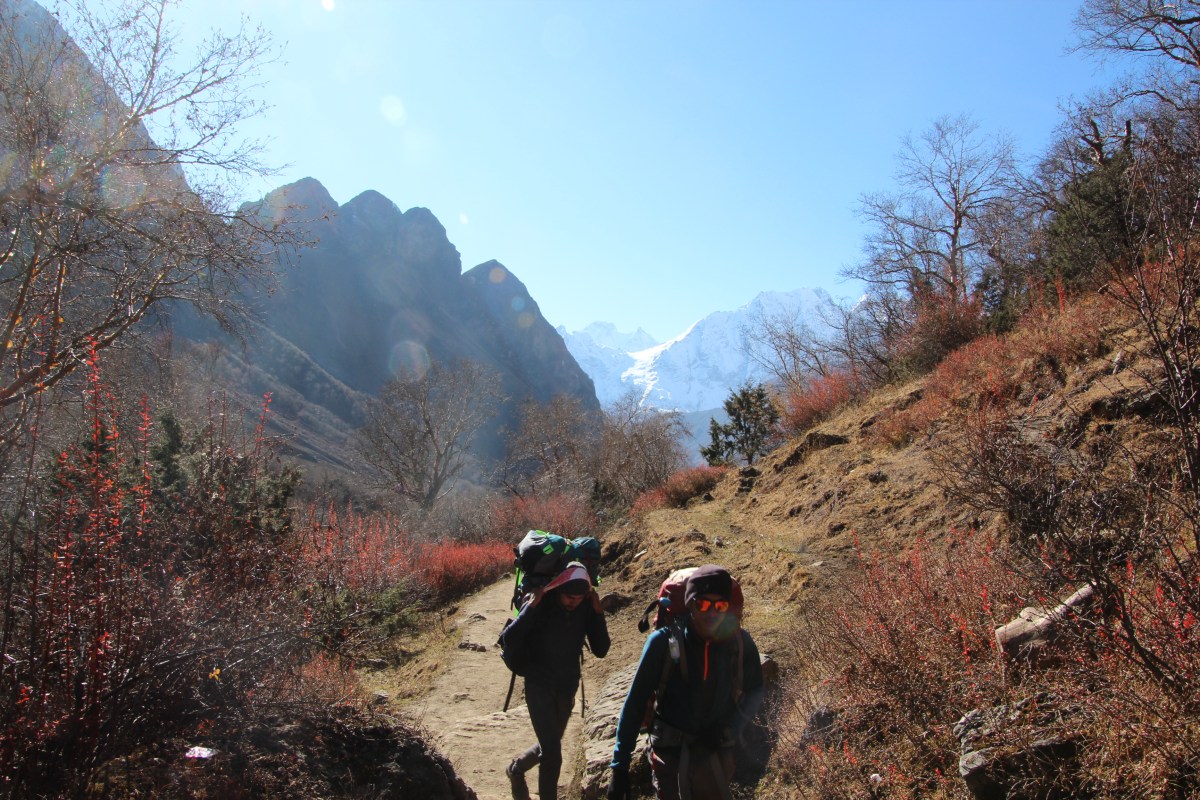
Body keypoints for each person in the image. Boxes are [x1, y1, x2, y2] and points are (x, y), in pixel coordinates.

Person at [607, 565, 764, 800]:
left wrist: (732, 727)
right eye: (702, 604)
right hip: (669, 756)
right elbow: (635, 703)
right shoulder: (663, 643)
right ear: (690, 604)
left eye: (719, 605)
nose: (711, 613)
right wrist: (619, 767)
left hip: (716, 753)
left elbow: (755, 691)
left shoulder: (739, 644)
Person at [502, 560, 610, 800]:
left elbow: (601, 649)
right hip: (538, 684)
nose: (573, 601)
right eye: (568, 597)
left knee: (549, 746)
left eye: (578, 598)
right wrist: (531, 607)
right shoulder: (541, 604)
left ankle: (516, 768)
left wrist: (597, 611)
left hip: (566, 686)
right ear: (558, 589)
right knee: (553, 752)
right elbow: (510, 638)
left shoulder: (585, 607)